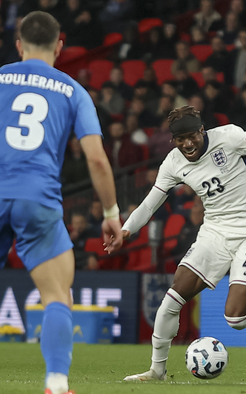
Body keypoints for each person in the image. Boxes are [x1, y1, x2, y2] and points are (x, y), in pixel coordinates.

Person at [120, 106, 246, 382]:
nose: (187, 144)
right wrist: (126, 230)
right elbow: (150, 203)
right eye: (180, 139)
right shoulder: (173, 162)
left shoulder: (229, 136)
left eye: (191, 136)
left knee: (235, 319)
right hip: (215, 233)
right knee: (172, 299)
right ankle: (157, 371)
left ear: (202, 131)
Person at [0, 11, 122, 394]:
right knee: (57, 296)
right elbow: (98, 159)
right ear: (60, 46)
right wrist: (110, 213)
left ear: (18, 45)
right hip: (38, 199)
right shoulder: (72, 90)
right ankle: (55, 382)